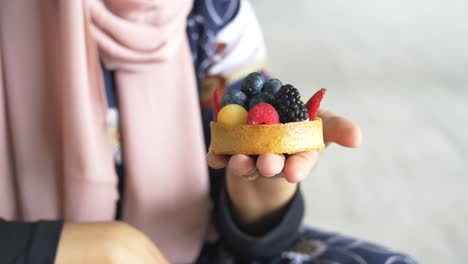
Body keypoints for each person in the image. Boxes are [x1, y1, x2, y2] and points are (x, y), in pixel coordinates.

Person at [0, 0, 417, 263]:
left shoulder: (216, 14)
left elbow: (251, 232)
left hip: (189, 245)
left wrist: (261, 187)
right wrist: (50, 245)